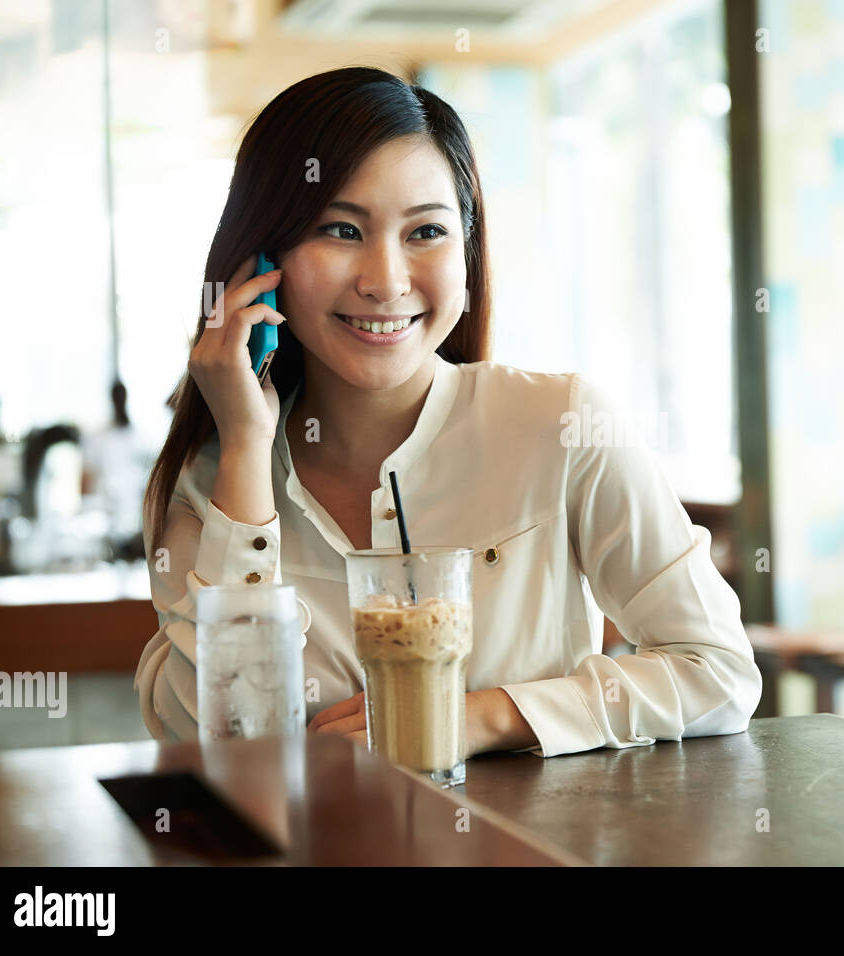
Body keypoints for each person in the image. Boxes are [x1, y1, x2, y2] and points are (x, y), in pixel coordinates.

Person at [134, 66, 761, 757]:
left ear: (466, 251)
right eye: (340, 230)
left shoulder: (564, 426)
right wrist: (247, 453)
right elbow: (212, 740)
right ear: (262, 259)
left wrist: (482, 717)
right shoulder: (208, 483)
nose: (386, 282)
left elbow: (719, 673)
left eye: (425, 232)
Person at [81, 381, 150, 559]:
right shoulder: (98, 436)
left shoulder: (139, 437)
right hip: (106, 518)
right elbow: (86, 481)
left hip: (133, 518)